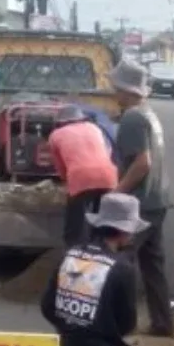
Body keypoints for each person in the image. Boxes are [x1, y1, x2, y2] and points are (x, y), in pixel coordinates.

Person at [40, 192, 174, 346]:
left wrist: (73, 327)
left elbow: (48, 307)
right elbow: (127, 324)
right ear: (125, 232)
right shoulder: (122, 268)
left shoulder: (69, 255)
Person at [110, 59, 174, 338]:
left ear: (125, 89)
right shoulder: (149, 114)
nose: (113, 91)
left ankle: (120, 324)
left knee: (119, 262)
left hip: (138, 204)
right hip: (158, 200)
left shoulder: (132, 118)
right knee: (153, 265)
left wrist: (117, 192)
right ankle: (163, 323)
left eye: (116, 86)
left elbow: (142, 163)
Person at [47, 104, 118, 246]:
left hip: (80, 178)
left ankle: (75, 255)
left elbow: (60, 167)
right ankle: (101, 252)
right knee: (102, 220)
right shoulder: (95, 128)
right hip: (109, 176)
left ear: (60, 122)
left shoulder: (55, 135)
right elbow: (108, 152)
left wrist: (67, 182)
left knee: (75, 225)